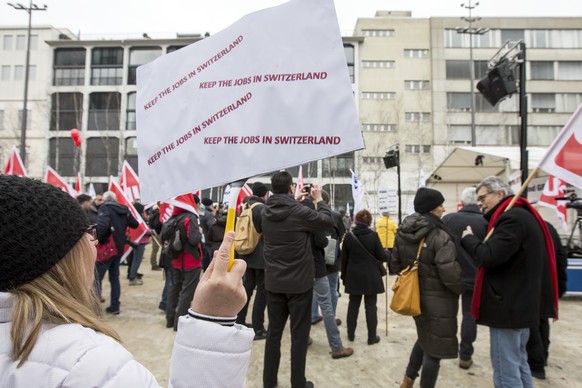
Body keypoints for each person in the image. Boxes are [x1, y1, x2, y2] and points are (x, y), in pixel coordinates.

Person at [0, 175, 254, 387]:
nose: (95, 240)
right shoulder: (90, 365)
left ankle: (169, 315)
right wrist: (213, 321)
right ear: (57, 258)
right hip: (186, 263)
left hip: (176, 263)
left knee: (172, 288)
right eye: (88, 232)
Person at [461, 176, 558, 388]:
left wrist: (468, 238)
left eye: (483, 197)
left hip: (509, 307)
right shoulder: (521, 216)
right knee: (519, 362)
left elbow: (489, 256)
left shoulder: (511, 219)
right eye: (478, 199)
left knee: (506, 370)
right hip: (519, 306)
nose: (479, 203)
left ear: (500, 194)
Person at [261, 171, 333, 388]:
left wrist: (296, 200)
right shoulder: (299, 212)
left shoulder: (265, 212)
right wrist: (318, 199)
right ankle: (297, 383)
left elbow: (285, 212)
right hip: (299, 284)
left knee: (274, 334)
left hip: (274, 282)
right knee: (299, 336)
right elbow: (327, 222)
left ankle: (269, 382)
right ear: (291, 187)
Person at [391, 187, 463, 388]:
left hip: (414, 297)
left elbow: (395, 265)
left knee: (425, 338)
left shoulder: (403, 231)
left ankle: (408, 379)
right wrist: (462, 288)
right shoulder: (440, 235)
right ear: (431, 208)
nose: (443, 208)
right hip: (438, 301)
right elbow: (450, 275)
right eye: (440, 204)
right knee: (435, 351)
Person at [302, 192, 353, 359]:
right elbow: (324, 241)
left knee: (303, 304)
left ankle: (304, 338)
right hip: (320, 266)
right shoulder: (321, 220)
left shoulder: (294, 219)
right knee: (328, 303)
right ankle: (336, 346)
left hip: (301, 269)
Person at [442, 187, 488, 370]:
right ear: (477, 201)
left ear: (462, 201)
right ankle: (465, 355)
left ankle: (444, 348)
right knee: (469, 316)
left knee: (446, 313)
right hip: (474, 277)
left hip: (450, 275)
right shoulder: (485, 221)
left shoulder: (449, 219)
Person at [341, 209, 390, 345]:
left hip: (353, 275)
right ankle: (372, 337)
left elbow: (344, 260)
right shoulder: (373, 235)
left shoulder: (349, 236)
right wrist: (388, 254)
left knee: (353, 305)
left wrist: (344, 277)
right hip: (370, 275)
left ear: (355, 221)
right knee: (371, 306)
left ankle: (350, 334)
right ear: (369, 222)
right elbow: (382, 256)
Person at [526, 220, 566, 380]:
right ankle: (543, 356)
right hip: (548, 280)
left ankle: (536, 363)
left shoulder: (522, 225)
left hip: (532, 282)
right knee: (542, 320)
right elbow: (561, 256)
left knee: (532, 323)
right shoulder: (547, 226)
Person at [162, 198, 204, 331]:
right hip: (190, 261)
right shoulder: (189, 218)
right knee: (187, 292)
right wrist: (200, 232)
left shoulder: (173, 217)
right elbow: (194, 239)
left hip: (176, 260)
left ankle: (170, 319)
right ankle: (179, 323)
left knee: (174, 289)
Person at [96, 190, 139, 314]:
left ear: (105, 199)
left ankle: (94, 308)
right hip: (119, 249)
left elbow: (102, 226)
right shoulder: (124, 209)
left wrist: (99, 240)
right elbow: (135, 224)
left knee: (97, 279)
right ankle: (115, 306)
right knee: (114, 278)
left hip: (106, 249)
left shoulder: (105, 208)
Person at [236, 182, 269, 340]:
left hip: (246, 255)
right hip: (261, 258)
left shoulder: (245, 207)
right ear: (264, 194)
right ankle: (258, 328)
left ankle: (240, 320)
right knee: (262, 294)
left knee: (246, 291)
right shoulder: (261, 209)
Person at [312, 190, 346, 325]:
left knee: (315, 288)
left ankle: (313, 315)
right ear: (328, 201)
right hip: (332, 257)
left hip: (315, 256)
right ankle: (330, 318)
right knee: (332, 287)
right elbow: (342, 233)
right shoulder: (336, 215)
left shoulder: (310, 214)